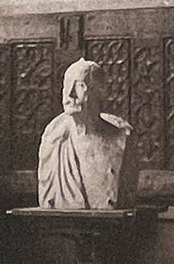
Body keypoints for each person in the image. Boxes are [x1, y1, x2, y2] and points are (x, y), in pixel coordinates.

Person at [37, 58, 137, 210]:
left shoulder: (121, 139)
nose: (70, 95)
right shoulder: (54, 138)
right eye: (66, 86)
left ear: (99, 92)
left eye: (79, 86)